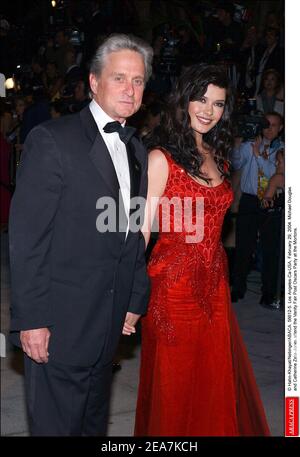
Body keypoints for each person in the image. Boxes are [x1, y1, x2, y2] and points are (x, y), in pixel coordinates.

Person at [9, 33, 153, 436]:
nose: (130, 89)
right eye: (119, 78)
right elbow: (27, 239)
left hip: (108, 324)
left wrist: (134, 298)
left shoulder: (138, 150)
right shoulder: (53, 140)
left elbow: (133, 234)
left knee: (92, 427)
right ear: (94, 82)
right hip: (60, 324)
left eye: (138, 81)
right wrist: (32, 320)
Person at [134, 63, 270, 436]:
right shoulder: (161, 158)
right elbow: (141, 231)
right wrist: (130, 297)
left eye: (219, 104)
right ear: (184, 100)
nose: (209, 110)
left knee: (212, 380)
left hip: (214, 285)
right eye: (202, 99)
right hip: (172, 289)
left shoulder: (218, 155)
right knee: (175, 387)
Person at [230, 112, 284, 304]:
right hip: (250, 199)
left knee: (271, 248)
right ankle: (238, 287)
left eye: (274, 125)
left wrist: (258, 156)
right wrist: (237, 145)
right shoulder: (249, 144)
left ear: (281, 128)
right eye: (266, 124)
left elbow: (274, 173)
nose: (269, 128)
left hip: (271, 202)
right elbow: (236, 163)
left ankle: (269, 292)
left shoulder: (283, 149)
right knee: (244, 246)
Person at [260, 148, 285, 309]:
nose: (277, 164)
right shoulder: (277, 178)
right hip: (276, 223)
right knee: (272, 259)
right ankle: (269, 293)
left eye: (280, 161)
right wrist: (268, 200)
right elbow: (267, 197)